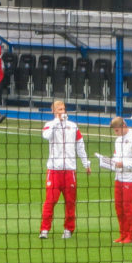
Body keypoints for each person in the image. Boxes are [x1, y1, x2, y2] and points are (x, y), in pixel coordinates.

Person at [39, 100, 91, 239]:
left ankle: (68, 229)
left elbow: (80, 146)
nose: (62, 111)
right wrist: (57, 122)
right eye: (59, 109)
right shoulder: (49, 125)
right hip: (54, 170)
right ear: (54, 111)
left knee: (70, 202)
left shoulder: (73, 126)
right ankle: (44, 230)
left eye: (63, 109)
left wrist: (86, 163)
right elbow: (46, 136)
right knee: (50, 201)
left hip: (69, 170)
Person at [103, 117, 132, 244]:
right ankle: (123, 234)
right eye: (115, 131)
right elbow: (116, 156)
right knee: (119, 207)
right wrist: (110, 162)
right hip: (119, 177)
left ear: (124, 126)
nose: (116, 133)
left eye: (117, 130)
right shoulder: (118, 140)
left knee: (128, 207)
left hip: (130, 178)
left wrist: (124, 164)